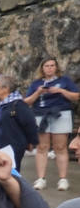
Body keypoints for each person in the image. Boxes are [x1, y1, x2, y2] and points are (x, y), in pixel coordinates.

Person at [25, 58, 79, 191]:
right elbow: (27, 101)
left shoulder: (64, 81)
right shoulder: (36, 83)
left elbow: (76, 96)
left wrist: (60, 91)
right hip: (40, 115)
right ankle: (41, 179)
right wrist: (38, 92)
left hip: (60, 113)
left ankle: (63, 179)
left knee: (60, 147)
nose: (49, 68)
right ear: (42, 68)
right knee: (42, 147)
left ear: (56, 67)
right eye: (47, 66)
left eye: (52, 65)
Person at [0, 74, 39, 166]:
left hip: (13, 148)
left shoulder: (18, 105)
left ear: (5, 89)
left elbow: (30, 123)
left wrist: (32, 142)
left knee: (11, 173)